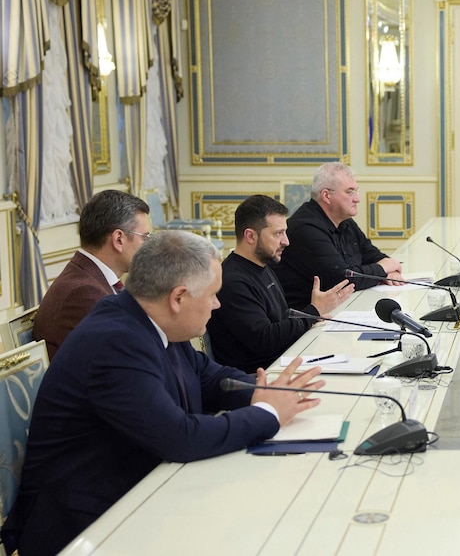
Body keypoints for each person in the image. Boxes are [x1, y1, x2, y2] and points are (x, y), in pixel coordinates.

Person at [1, 231, 325, 556]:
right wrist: (268, 414)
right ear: (178, 298)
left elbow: (209, 378)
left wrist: (264, 391)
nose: (217, 304)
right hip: (87, 527)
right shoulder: (115, 343)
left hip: (140, 492)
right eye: (212, 294)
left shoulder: (149, 320)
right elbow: (180, 437)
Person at [207, 195, 355, 372]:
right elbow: (265, 341)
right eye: (278, 233)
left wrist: (313, 317)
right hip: (259, 377)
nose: (286, 241)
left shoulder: (264, 266)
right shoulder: (232, 281)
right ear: (250, 236)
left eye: (285, 232)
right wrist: (313, 312)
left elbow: (281, 320)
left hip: (282, 361)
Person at [33, 190, 151, 359]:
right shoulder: (83, 293)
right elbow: (120, 360)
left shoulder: (88, 278)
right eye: (145, 237)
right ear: (118, 239)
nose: (148, 246)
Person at [273, 162, 403, 308]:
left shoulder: (344, 221)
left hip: (342, 307)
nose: (357, 199)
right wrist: (383, 270)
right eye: (349, 192)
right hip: (305, 320)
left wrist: (387, 271)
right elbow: (341, 279)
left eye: (356, 191)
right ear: (326, 196)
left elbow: (372, 255)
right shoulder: (305, 228)